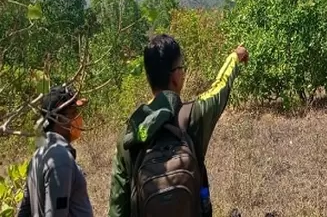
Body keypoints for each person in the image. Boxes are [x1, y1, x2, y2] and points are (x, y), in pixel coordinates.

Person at [107, 34, 248, 217]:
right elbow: (220, 87)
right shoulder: (194, 116)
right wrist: (235, 57)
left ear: (149, 77)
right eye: (181, 67)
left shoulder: (130, 132)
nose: (183, 72)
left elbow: (118, 204)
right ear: (174, 76)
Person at [17, 85, 94, 217]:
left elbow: (24, 210)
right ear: (58, 118)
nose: (78, 118)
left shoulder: (39, 155)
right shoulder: (60, 158)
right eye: (73, 113)